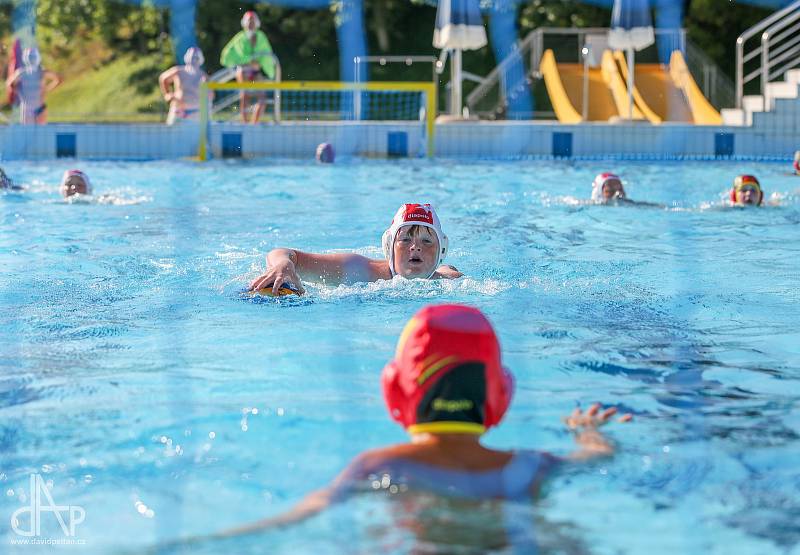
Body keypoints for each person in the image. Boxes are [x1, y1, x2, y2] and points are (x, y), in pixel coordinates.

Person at [208, 304, 631, 538]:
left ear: (394, 393)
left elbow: (302, 515)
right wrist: (588, 432)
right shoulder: (531, 466)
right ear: (500, 397)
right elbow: (594, 458)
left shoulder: (381, 466)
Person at [248, 203, 462, 294]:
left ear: (441, 251)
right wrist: (284, 264)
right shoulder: (359, 270)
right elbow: (283, 253)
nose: (415, 247)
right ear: (389, 247)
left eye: (426, 241)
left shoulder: (452, 282)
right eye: (405, 239)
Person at [220, 10, 276, 124]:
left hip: (255, 72)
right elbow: (229, 56)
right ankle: (245, 124)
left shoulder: (261, 36)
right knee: (245, 96)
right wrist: (249, 61)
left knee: (262, 98)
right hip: (244, 71)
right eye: (249, 21)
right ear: (244, 23)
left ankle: (253, 124)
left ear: (257, 23)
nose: (251, 24)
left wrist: (261, 65)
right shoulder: (240, 38)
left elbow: (267, 54)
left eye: (253, 21)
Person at [5, 47, 61, 124]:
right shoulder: (30, 72)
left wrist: (19, 92)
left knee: (32, 133)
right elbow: (58, 79)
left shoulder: (25, 73)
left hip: (32, 108)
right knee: (34, 133)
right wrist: (46, 89)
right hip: (33, 108)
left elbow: (9, 84)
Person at [158, 47, 209, 125]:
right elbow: (163, 78)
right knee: (173, 135)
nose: (194, 60)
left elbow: (210, 96)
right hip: (178, 111)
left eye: (196, 58)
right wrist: (167, 94)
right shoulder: (179, 71)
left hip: (196, 113)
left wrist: (205, 89)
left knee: (195, 136)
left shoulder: (203, 76)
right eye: (192, 58)